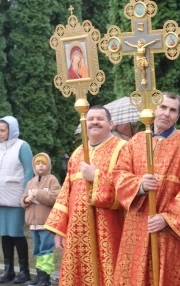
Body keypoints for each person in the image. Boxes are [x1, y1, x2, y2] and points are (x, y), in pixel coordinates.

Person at [112, 92, 180, 286]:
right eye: (162, 107)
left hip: (170, 229)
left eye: (172, 110)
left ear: (178, 117)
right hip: (139, 225)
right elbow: (119, 174)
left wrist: (167, 218)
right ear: (154, 110)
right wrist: (139, 185)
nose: (166, 113)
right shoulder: (136, 141)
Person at [44, 106, 127, 286]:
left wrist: (96, 176)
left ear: (111, 124)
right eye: (90, 119)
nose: (95, 122)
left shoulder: (122, 149)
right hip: (77, 232)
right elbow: (66, 192)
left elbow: (126, 190)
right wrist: (60, 229)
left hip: (109, 229)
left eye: (100, 119)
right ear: (84, 124)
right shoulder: (77, 154)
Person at [0, 116, 34, 283]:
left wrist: (25, 195)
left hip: (15, 199)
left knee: (16, 234)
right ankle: (8, 270)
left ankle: (24, 271)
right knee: (4, 235)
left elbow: (29, 171)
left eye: (3, 130)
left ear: (11, 130)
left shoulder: (23, 146)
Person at [21, 153, 61, 286]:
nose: (40, 166)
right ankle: (39, 275)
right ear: (34, 166)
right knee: (37, 250)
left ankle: (45, 278)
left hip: (47, 224)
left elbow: (56, 198)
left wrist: (39, 193)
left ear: (48, 165)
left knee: (46, 250)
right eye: (38, 164)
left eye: (43, 163)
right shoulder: (30, 182)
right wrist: (26, 199)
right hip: (34, 225)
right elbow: (24, 198)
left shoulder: (52, 180)